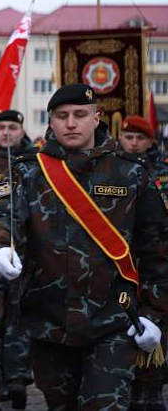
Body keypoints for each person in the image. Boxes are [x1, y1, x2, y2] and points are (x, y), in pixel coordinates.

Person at [0, 84, 168, 410]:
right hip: (48, 321)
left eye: (80, 115)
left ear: (97, 118)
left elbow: (157, 248)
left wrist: (154, 314)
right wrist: (0, 247)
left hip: (114, 319)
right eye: (62, 116)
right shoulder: (29, 170)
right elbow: (3, 217)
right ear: (51, 121)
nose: (71, 123)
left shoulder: (130, 172)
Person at [0, 109, 37, 409]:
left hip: (27, 256)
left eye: (12, 127)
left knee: (19, 318)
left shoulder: (35, 163)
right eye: (1, 127)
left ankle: (17, 378)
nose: (7, 132)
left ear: (21, 130)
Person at [119, 115, 168, 411]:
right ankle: (131, 384)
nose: (134, 143)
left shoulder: (163, 171)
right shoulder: (113, 170)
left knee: (160, 320)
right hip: (125, 259)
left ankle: (153, 387)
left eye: (140, 138)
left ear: (150, 141)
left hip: (159, 257)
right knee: (130, 322)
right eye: (129, 137)